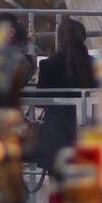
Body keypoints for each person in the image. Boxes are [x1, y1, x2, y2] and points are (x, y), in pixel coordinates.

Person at [35, 17, 97, 172]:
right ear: (83, 37)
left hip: (57, 133)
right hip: (88, 130)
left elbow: (40, 101)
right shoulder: (95, 64)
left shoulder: (48, 65)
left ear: (60, 37)